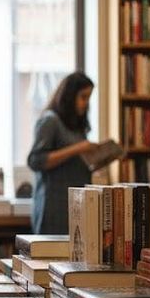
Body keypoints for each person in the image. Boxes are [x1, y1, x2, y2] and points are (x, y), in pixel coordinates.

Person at [27, 71, 96, 235]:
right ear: (70, 96)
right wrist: (78, 148)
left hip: (76, 206)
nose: (86, 103)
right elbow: (36, 160)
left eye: (89, 98)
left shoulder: (77, 126)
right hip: (53, 208)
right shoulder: (50, 121)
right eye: (83, 97)